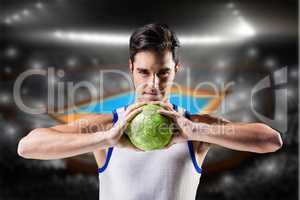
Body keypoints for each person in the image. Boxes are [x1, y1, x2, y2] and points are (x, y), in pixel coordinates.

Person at [17, 23, 283, 200]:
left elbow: (271, 140)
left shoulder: (195, 128)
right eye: (144, 72)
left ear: (176, 69)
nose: (153, 85)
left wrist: (195, 130)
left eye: (163, 73)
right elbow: (28, 146)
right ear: (131, 67)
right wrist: (106, 139)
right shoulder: (106, 126)